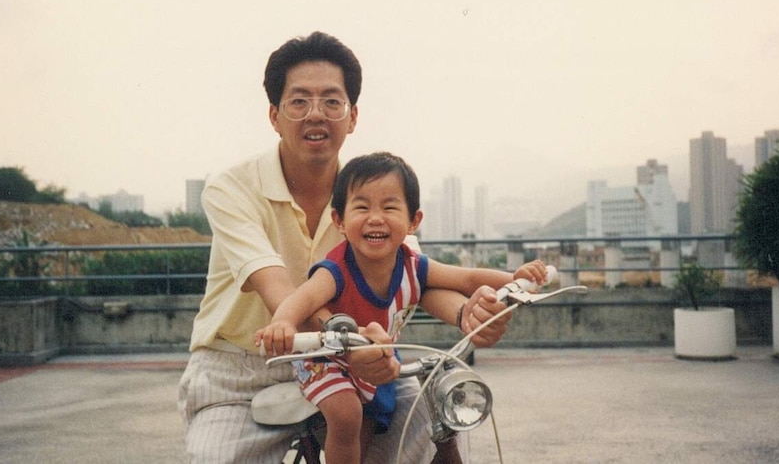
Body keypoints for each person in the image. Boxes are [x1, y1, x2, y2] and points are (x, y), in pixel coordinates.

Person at [177, 31, 525, 464]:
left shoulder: (370, 193)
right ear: (274, 115)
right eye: (299, 101)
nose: (315, 115)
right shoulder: (231, 188)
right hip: (245, 368)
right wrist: (348, 338)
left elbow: (412, 277)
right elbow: (281, 293)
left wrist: (467, 314)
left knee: (423, 431)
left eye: (331, 101)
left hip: (359, 359)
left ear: (353, 115)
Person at [255, 152, 547, 464]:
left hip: (379, 358)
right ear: (339, 221)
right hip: (329, 360)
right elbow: (303, 299)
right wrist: (283, 323)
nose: (376, 217)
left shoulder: (412, 265)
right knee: (347, 413)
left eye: (390, 207)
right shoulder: (336, 269)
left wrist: (516, 280)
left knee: (380, 425)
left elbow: (468, 277)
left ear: (413, 221)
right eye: (362, 207)